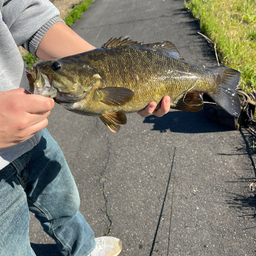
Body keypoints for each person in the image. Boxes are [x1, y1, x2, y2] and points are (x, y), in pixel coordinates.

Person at [0, 1, 171, 255]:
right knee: (12, 245)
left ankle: (84, 249)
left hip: (32, 134)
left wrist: (115, 68)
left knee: (64, 201)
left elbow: (23, 9)